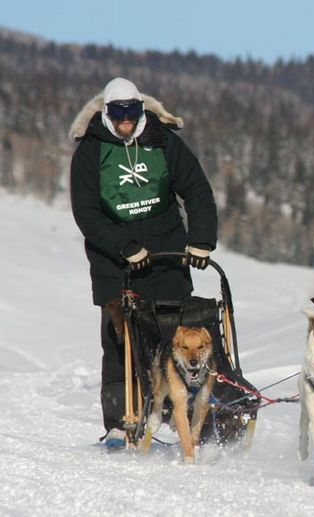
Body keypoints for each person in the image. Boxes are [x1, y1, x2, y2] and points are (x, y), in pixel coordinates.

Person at [69, 77, 217, 447]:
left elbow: (196, 188)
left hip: (166, 255)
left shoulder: (163, 141)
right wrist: (124, 245)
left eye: (132, 112)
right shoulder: (90, 152)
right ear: (106, 113)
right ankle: (119, 422)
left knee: (177, 336)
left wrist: (200, 240)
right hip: (114, 263)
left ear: (141, 110)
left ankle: (184, 409)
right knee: (120, 343)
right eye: (118, 112)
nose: (126, 120)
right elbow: (86, 213)